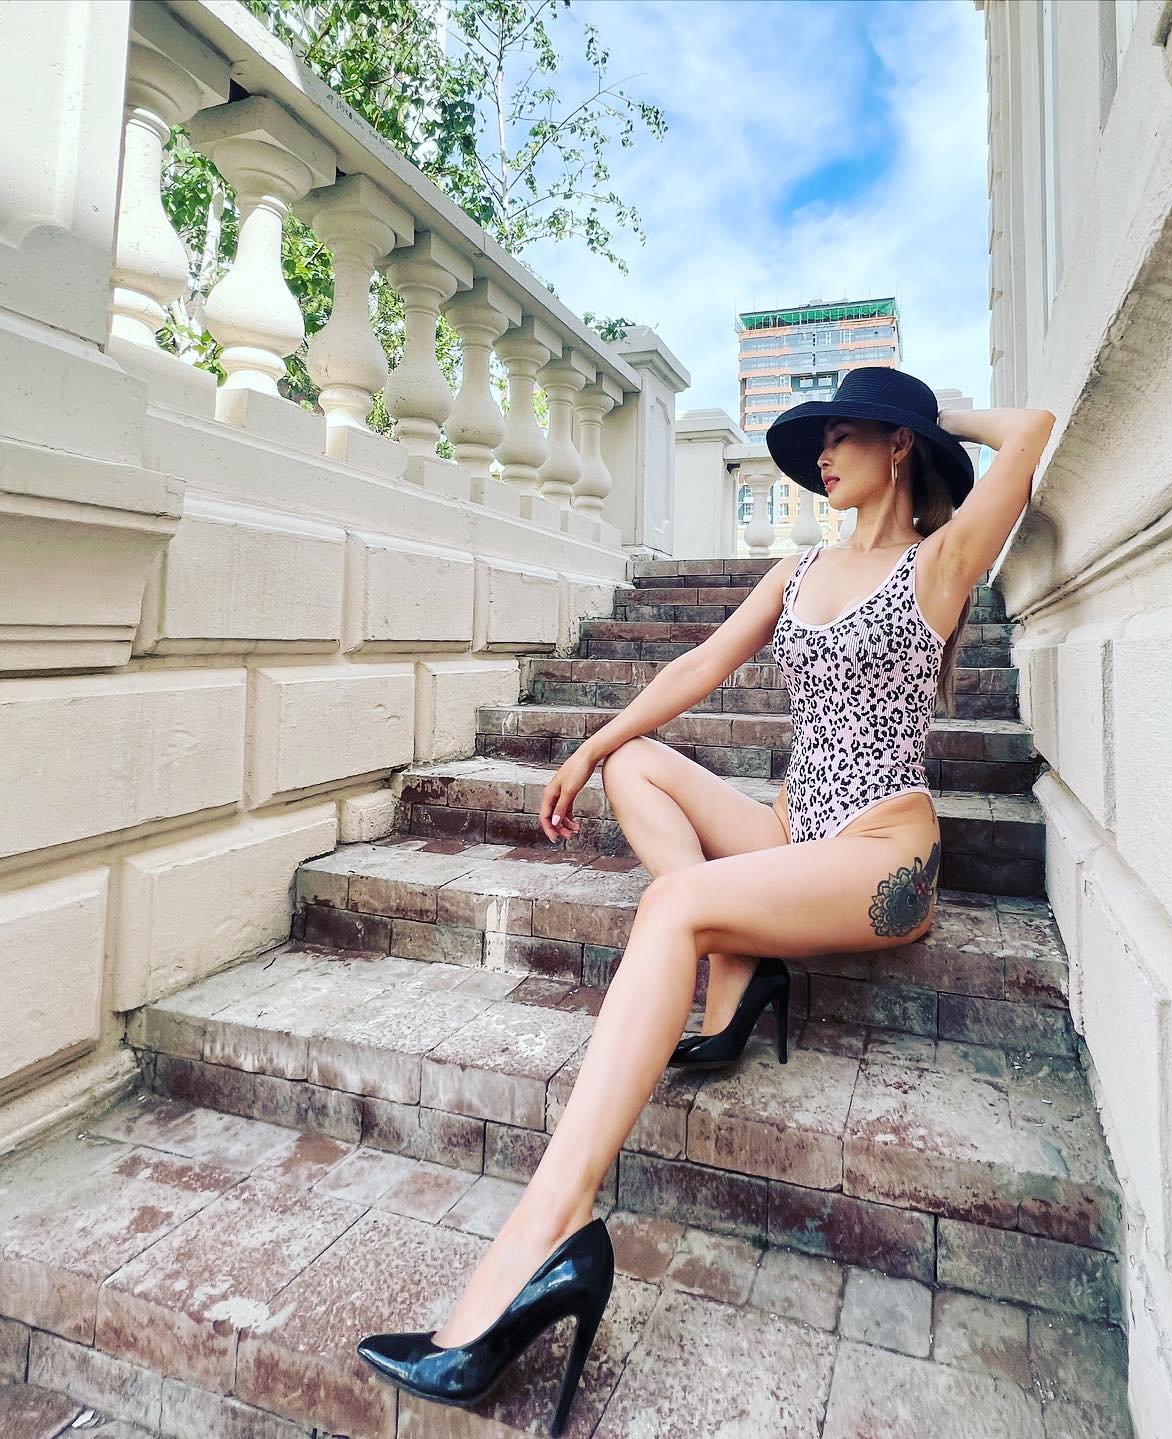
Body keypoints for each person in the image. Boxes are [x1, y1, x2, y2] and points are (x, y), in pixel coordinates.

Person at [355, 367, 1055, 1435]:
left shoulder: (940, 561)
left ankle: (548, 1226)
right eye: (819, 438)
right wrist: (590, 745)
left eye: (845, 433)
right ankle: (739, 965)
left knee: (672, 908)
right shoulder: (799, 568)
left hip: (881, 858)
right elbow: (697, 664)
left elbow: (1032, 431)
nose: (823, 454)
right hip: (793, 832)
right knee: (638, 764)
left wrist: (935, 411)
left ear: (898, 444)